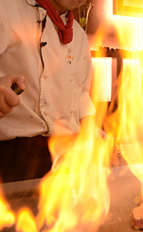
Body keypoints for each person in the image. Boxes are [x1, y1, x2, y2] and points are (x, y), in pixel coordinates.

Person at [0, 0, 97, 183]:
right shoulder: (7, 9)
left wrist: (90, 129)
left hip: (67, 157)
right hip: (13, 157)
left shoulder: (78, 35)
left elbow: (81, 94)